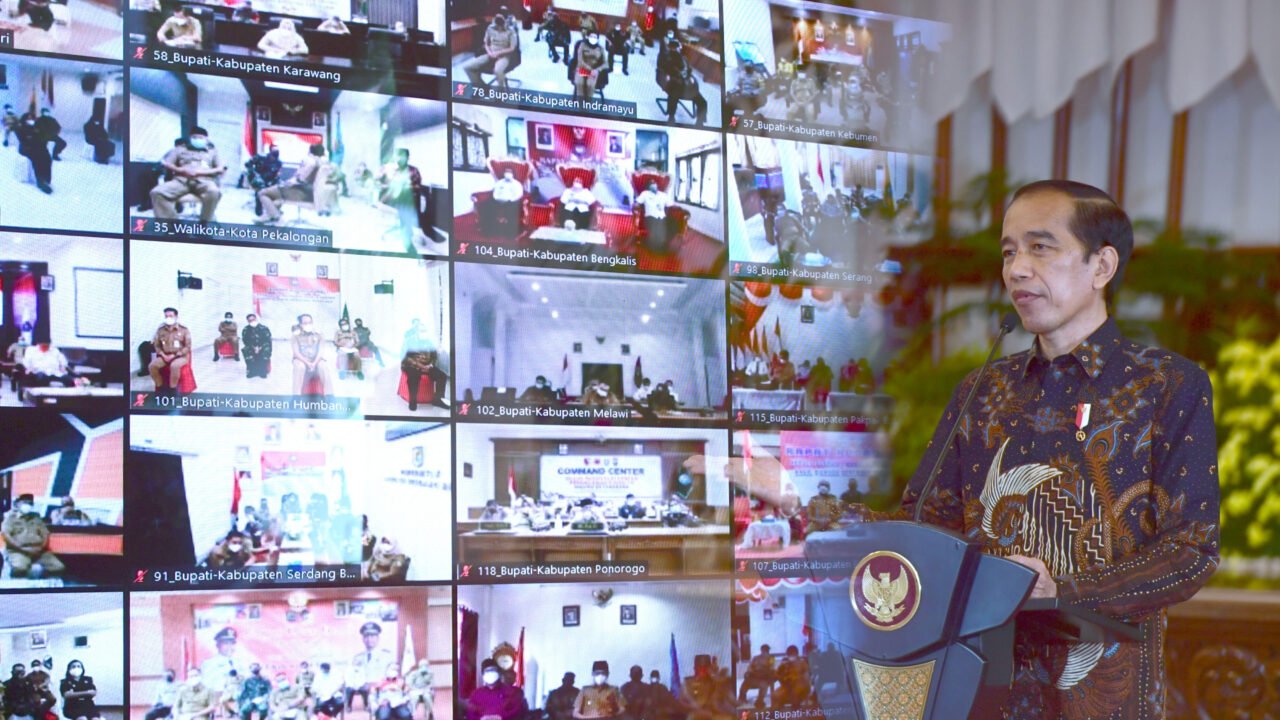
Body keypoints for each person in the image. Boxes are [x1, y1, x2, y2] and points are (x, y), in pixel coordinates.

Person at [872, 180, 1219, 717]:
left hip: (1103, 697)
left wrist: (1063, 591)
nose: (1016, 269)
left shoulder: (1166, 385)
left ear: (1102, 266)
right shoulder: (983, 389)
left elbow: (1191, 551)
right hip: (979, 688)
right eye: (1009, 252)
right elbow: (921, 526)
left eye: (1040, 248)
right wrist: (805, 508)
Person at [153, 127, 226, 222]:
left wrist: (199, 172)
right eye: (194, 137)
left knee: (214, 192)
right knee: (157, 192)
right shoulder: (179, 149)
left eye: (200, 138)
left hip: (204, 181)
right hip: (181, 180)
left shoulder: (213, 151)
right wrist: (180, 169)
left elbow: (220, 168)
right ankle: (172, 224)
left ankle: (204, 223)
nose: (197, 140)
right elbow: (167, 163)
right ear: (190, 138)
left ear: (206, 139)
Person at [255, 143, 323, 224]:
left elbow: (301, 179)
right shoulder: (321, 163)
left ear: (310, 151)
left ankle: (275, 217)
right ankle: (270, 215)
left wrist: (289, 181)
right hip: (308, 192)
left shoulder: (311, 162)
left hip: (298, 191)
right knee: (274, 196)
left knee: (262, 193)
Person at [2, 493, 64, 578]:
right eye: (25, 502)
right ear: (17, 504)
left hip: (39, 551)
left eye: (30, 503)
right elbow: (6, 535)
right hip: (18, 551)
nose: (28, 505)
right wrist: (22, 548)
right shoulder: (10, 518)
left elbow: (45, 534)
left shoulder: (36, 518)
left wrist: (40, 547)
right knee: (20, 568)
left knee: (58, 567)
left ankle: (42, 581)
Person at [378, 149, 425, 251]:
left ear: (407, 158)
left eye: (402, 156)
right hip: (397, 201)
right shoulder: (395, 172)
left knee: (405, 213)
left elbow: (418, 186)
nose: (399, 159)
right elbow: (391, 186)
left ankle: (407, 235)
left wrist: (405, 187)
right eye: (397, 156)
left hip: (409, 202)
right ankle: (405, 229)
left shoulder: (413, 171)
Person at [400, 319, 449, 411]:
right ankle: (413, 401)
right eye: (421, 330)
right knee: (414, 376)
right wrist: (420, 366)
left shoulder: (428, 342)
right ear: (416, 331)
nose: (423, 332)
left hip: (426, 365)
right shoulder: (409, 341)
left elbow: (434, 356)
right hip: (411, 365)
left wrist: (430, 365)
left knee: (442, 376)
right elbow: (405, 357)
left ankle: (438, 400)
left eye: (425, 330)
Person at [656, 36, 707, 125]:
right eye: (674, 48)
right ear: (670, 48)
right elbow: (664, 69)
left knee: (703, 102)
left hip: (688, 85)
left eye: (677, 47)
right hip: (675, 83)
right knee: (673, 96)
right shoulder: (666, 58)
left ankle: (700, 122)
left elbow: (689, 70)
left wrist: (689, 76)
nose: (677, 49)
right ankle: (671, 117)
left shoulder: (683, 58)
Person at [348, 623, 396, 713]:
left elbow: (391, 677)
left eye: (372, 636)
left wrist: (376, 684)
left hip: (381, 690)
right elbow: (354, 676)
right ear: (363, 639)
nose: (369, 639)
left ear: (378, 638)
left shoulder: (387, 656)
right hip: (363, 689)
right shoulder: (357, 658)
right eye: (366, 636)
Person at [463, 13, 519, 88]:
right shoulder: (490, 28)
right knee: (467, 67)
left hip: (504, 56)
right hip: (490, 54)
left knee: (497, 71)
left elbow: (512, 48)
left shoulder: (511, 30)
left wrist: (498, 53)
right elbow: (486, 43)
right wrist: (489, 52)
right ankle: (483, 88)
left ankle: (501, 92)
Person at [149, 307, 192, 394]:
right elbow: (157, 345)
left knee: (174, 366)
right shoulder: (160, 330)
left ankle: (172, 389)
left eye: (171, 316)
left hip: (180, 356)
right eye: (166, 316)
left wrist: (176, 355)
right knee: (152, 366)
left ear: (176, 317)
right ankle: (160, 387)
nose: (168, 318)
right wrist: (163, 355)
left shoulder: (184, 330)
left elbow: (188, 346)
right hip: (165, 355)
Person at [291, 314, 333, 396]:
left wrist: (314, 363)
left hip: (316, 359)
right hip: (301, 359)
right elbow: (296, 353)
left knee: (323, 367)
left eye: (310, 322)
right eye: (305, 323)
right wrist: (307, 363)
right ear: (300, 324)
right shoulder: (295, 336)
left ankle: (329, 395)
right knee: (299, 367)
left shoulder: (319, 334)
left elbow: (321, 351)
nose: (308, 325)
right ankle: (296, 396)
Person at [202, 628, 252, 695]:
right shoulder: (210, 664)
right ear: (217, 645)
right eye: (226, 643)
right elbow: (208, 687)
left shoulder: (240, 662)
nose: (229, 647)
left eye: (232, 643)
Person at [14, 113, 53, 194]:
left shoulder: (35, 127)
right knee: (37, 159)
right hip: (26, 148)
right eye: (29, 119)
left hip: (36, 147)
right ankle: (40, 181)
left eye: (32, 119)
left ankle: (46, 178)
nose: (31, 120)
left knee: (47, 157)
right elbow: (24, 141)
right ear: (24, 119)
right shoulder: (20, 128)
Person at [634, 180, 676, 253]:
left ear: (657, 185)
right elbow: (637, 202)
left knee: (674, 224)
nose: (653, 185)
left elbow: (671, 204)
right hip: (650, 217)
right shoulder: (645, 194)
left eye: (654, 183)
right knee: (657, 227)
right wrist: (635, 206)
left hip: (662, 217)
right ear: (648, 187)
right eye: (651, 184)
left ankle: (663, 243)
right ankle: (655, 246)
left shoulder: (663, 195)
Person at [244, 146, 283, 217]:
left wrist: (275, 182)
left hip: (269, 180)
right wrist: (253, 173)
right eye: (272, 157)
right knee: (260, 188)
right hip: (256, 177)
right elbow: (247, 164)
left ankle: (274, 209)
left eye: (275, 158)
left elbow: (277, 174)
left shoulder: (278, 163)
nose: (273, 159)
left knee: (277, 189)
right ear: (270, 154)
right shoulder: (260, 157)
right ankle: (259, 210)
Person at [572, 31, 608, 99]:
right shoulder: (582, 45)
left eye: (595, 37)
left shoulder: (600, 48)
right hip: (582, 68)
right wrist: (589, 69)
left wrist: (597, 70)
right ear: (588, 37)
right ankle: (580, 102)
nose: (593, 38)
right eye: (591, 36)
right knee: (579, 83)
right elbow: (580, 60)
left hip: (594, 71)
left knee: (590, 84)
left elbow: (605, 64)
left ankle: (588, 102)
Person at [490, 168, 524, 238]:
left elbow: (519, 195)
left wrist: (510, 200)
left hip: (511, 202)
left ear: (512, 174)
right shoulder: (499, 183)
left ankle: (509, 233)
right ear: (504, 173)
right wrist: (496, 199)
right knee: (487, 205)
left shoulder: (517, 184)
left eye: (509, 172)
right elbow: (495, 193)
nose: (507, 174)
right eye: (506, 172)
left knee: (512, 208)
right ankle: (490, 230)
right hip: (498, 200)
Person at [242, 314, 272, 379]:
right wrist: (253, 347)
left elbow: (267, 340)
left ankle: (262, 371)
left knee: (266, 349)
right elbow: (245, 341)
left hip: (263, 346)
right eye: (250, 320)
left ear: (256, 319)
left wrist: (260, 347)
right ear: (247, 321)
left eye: (253, 319)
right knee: (245, 349)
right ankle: (252, 371)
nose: (252, 321)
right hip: (252, 347)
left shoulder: (264, 328)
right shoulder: (246, 329)